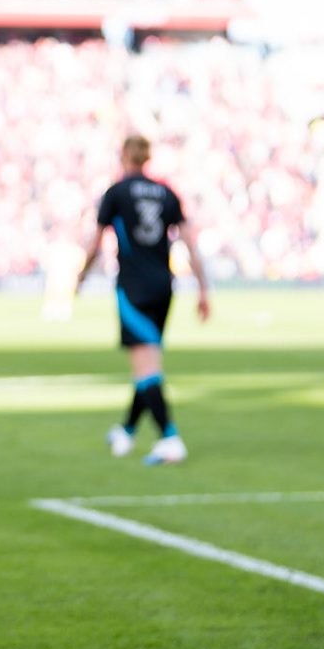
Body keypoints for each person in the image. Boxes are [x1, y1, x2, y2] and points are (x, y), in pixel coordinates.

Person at [76, 135, 209, 464]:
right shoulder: (166, 192)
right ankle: (127, 431)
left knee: (147, 367)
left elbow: (96, 242)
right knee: (147, 361)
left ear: (123, 155)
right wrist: (203, 288)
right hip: (165, 287)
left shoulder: (116, 192)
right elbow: (189, 242)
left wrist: (80, 275)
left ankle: (170, 438)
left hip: (133, 288)